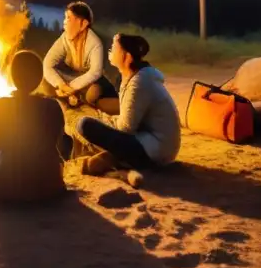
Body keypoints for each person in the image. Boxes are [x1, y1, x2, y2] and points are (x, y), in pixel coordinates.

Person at [74, 34, 181, 176]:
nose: (110, 50)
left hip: (155, 151)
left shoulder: (139, 82)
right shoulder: (132, 77)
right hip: (151, 143)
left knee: (84, 124)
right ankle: (114, 160)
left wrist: (105, 120)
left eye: (115, 48)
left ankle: (118, 161)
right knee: (97, 121)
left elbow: (126, 127)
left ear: (127, 57)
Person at [0, 50, 73, 204]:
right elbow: (59, 145)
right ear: (40, 78)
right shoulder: (52, 106)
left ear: (12, 76)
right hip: (46, 186)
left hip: (3, 186)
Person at [40, 1, 119, 114]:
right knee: (46, 82)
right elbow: (48, 63)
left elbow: (95, 72)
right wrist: (61, 85)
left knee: (93, 94)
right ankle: (72, 99)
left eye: (69, 18)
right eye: (65, 18)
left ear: (83, 24)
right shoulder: (65, 38)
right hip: (70, 79)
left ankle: (78, 101)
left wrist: (71, 88)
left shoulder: (94, 43)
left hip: (89, 82)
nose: (64, 22)